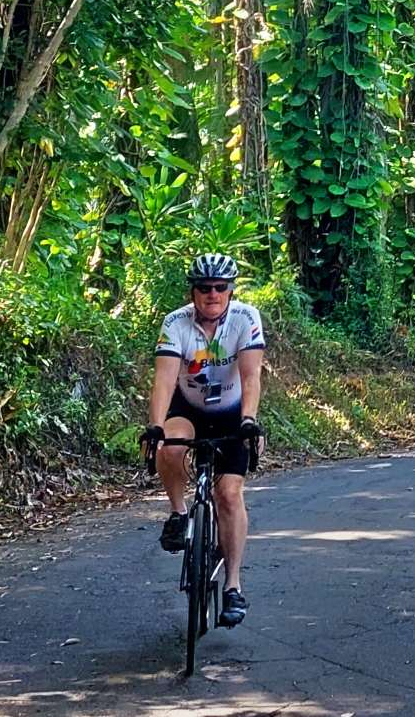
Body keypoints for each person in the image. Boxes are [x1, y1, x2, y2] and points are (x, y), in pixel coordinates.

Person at [141, 253, 265, 628]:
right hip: (189, 408)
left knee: (228, 494)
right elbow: (164, 380)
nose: (212, 294)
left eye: (220, 287)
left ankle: (232, 586)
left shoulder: (246, 318)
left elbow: (252, 375)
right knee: (171, 443)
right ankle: (179, 514)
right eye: (204, 288)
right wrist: (154, 426)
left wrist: (249, 421)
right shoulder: (175, 322)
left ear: (230, 290)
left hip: (232, 411)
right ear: (192, 291)